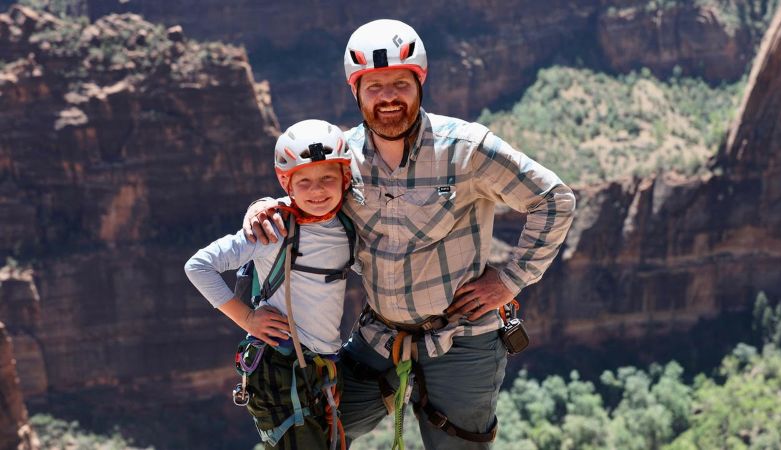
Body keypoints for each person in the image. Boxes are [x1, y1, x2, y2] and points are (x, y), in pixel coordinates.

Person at [243, 19, 576, 450]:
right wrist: (263, 207)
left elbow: (553, 199)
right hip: (379, 338)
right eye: (374, 86)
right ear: (355, 91)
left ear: (419, 83)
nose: (388, 97)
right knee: (304, 435)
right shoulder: (345, 159)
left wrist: (510, 279)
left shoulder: (467, 148)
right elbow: (307, 196)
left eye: (400, 83)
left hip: (463, 341)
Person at [185, 119, 356, 449]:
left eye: (327, 179)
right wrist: (247, 319)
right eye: (303, 181)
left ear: (345, 178)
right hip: (282, 368)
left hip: (321, 366)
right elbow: (198, 266)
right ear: (286, 182)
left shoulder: (345, 225)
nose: (317, 190)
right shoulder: (272, 229)